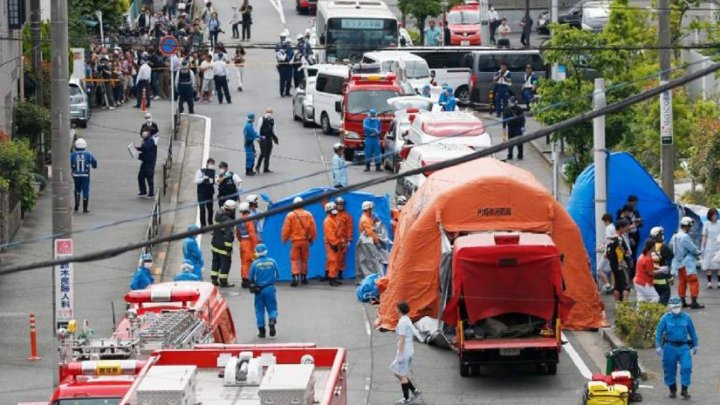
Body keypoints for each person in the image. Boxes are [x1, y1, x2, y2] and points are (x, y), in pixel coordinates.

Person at [655, 296, 699, 399]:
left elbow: (692, 332)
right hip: (670, 347)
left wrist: (696, 344)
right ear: (670, 307)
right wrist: (658, 346)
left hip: (684, 347)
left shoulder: (687, 318)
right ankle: (672, 389)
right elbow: (659, 332)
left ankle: (684, 389)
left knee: (687, 367)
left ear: (681, 306)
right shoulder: (665, 318)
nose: (676, 309)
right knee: (669, 369)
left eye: (678, 306)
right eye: (674, 307)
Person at [391, 301, 422, 405]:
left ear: (399, 309)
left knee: (401, 375)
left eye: (396, 307)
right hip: (408, 350)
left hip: (404, 351)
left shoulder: (403, 322)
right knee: (397, 372)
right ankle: (414, 391)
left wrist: (400, 354)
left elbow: (402, 339)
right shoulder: (406, 319)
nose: (395, 309)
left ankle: (406, 399)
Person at [281, 196, 317, 287]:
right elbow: (313, 229)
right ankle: (304, 277)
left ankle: (295, 276)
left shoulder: (290, 215)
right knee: (304, 260)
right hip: (305, 241)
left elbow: (286, 229)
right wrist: (312, 238)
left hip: (295, 241)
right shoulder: (308, 214)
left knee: (294, 260)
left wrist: (284, 239)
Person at [671, 217, 704, 309]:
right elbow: (692, 248)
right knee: (693, 282)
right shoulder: (685, 236)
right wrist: (698, 252)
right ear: (687, 226)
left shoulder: (676, 236)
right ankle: (694, 302)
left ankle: (683, 302)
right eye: (690, 226)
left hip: (678, 263)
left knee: (682, 282)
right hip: (687, 264)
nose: (690, 228)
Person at [249, 244, 279, 338]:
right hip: (270, 288)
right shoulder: (272, 262)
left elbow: (251, 278)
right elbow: (277, 275)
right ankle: (272, 320)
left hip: (259, 290)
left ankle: (262, 331)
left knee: (259, 310)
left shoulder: (255, 264)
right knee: (272, 308)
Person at [210, 199, 237, 287]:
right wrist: (229, 249)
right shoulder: (228, 221)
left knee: (215, 261)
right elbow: (228, 237)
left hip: (214, 243)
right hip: (223, 247)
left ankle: (214, 279)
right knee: (225, 263)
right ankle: (223, 281)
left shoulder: (218, 214)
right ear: (231, 210)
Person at [607, 219, 632, 302]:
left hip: (613, 266)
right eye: (626, 227)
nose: (628, 229)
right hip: (621, 266)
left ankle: (617, 306)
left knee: (617, 286)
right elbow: (627, 252)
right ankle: (624, 309)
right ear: (621, 228)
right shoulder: (619, 240)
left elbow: (607, 254)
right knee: (626, 287)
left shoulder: (611, 239)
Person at [70, 138, 98, 214]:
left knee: (77, 188)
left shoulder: (72, 155)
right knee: (85, 190)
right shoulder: (89, 154)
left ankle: (76, 204)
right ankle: (85, 208)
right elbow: (94, 164)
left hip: (76, 175)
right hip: (85, 175)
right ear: (85, 146)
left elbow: (69, 163)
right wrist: (93, 165)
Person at [236, 202, 259, 288]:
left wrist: (241, 241)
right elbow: (252, 233)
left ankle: (244, 279)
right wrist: (256, 246)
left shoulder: (239, 220)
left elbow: (237, 233)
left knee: (244, 262)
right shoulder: (249, 220)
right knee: (250, 261)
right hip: (249, 243)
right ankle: (248, 279)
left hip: (243, 243)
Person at [651, 226, 674, 306]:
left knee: (655, 298)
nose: (662, 236)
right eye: (661, 235)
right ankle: (659, 313)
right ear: (657, 236)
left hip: (651, 277)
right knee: (664, 296)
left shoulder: (649, 246)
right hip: (662, 278)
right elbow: (670, 258)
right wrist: (670, 277)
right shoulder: (663, 247)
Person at [322, 202, 342, 286]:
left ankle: (334, 277)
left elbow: (339, 231)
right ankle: (332, 278)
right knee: (333, 260)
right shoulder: (328, 221)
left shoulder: (335, 219)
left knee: (335, 260)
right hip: (331, 244)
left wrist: (341, 241)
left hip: (336, 243)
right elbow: (330, 235)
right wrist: (335, 243)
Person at [700, 207, 720, 289]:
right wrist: (702, 247)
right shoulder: (706, 224)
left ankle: (719, 282)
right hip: (709, 245)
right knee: (708, 264)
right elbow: (704, 236)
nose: (715, 216)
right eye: (713, 215)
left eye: (716, 215)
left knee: (719, 264)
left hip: (718, 245)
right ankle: (709, 282)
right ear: (710, 216)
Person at [255, 108, 279, 174]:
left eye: (270, 112)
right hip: (263, 137)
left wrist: (275, 138)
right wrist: (258, 138)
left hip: (269, 137)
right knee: (263, 153)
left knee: (268, 153)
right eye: (268, 112)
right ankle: (257, 167)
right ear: (266, 112)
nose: (269, 114)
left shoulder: (272, 120)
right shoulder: (261, 119)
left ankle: (266, 168)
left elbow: (273, 129)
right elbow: (258, 128)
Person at [135, 129, 157, 199]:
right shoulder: (147, 141)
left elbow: (145, 149)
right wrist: (137, 148)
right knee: (140, 177)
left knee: (149, 178)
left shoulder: (150, 141)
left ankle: (151, 193)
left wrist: (139, 155)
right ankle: (143, 191)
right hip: (145, 163)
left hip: (149, 163)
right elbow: (143, 148)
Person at [596, 213, 615, 294]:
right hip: (613, 251)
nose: (604, 223)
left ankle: (607, 285)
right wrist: (604, 246)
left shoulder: (608, 228)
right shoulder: (613, 227)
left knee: (599, 269)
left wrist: (606, 250)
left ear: (606, 220)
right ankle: (613, 286)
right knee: (612, 270)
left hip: (608, 251)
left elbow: (609, 241)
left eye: (604, 221)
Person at [335, 196, 352, 281]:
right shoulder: (333, 215)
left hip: (343, 239)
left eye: (342, 204)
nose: (340, 206)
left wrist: (349, 239)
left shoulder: (347, 216)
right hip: (334, 240)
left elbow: (350, 228)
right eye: (339, 204)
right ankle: (331, 273)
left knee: (341, 257)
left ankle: (340, 273)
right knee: (332, 257)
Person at [195, 158, 216, 227]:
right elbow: (196, 181)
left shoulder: (213, 172)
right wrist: (203, 179)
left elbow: (214, 181)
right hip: (201, 193)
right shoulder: (201, 171)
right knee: (202, 209)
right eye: (210, 164)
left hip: (209, 192)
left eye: (213, 164)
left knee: (210, 209)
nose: (211, 165)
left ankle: (210, 223)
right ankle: (203, 225)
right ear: (207, 163)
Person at [503, 96, 525, 160]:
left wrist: (523, 126)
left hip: (518, 127)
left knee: (519, 142)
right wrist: (504, 128)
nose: (510, 104)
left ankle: (520, 155)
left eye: (512, 102)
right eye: (510, 102)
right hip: (510, 128)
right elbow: (504, 119)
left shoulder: (519, 109)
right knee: (510, 143)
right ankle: (510, 155)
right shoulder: (506, 109)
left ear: (515, 102)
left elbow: (522, 118)